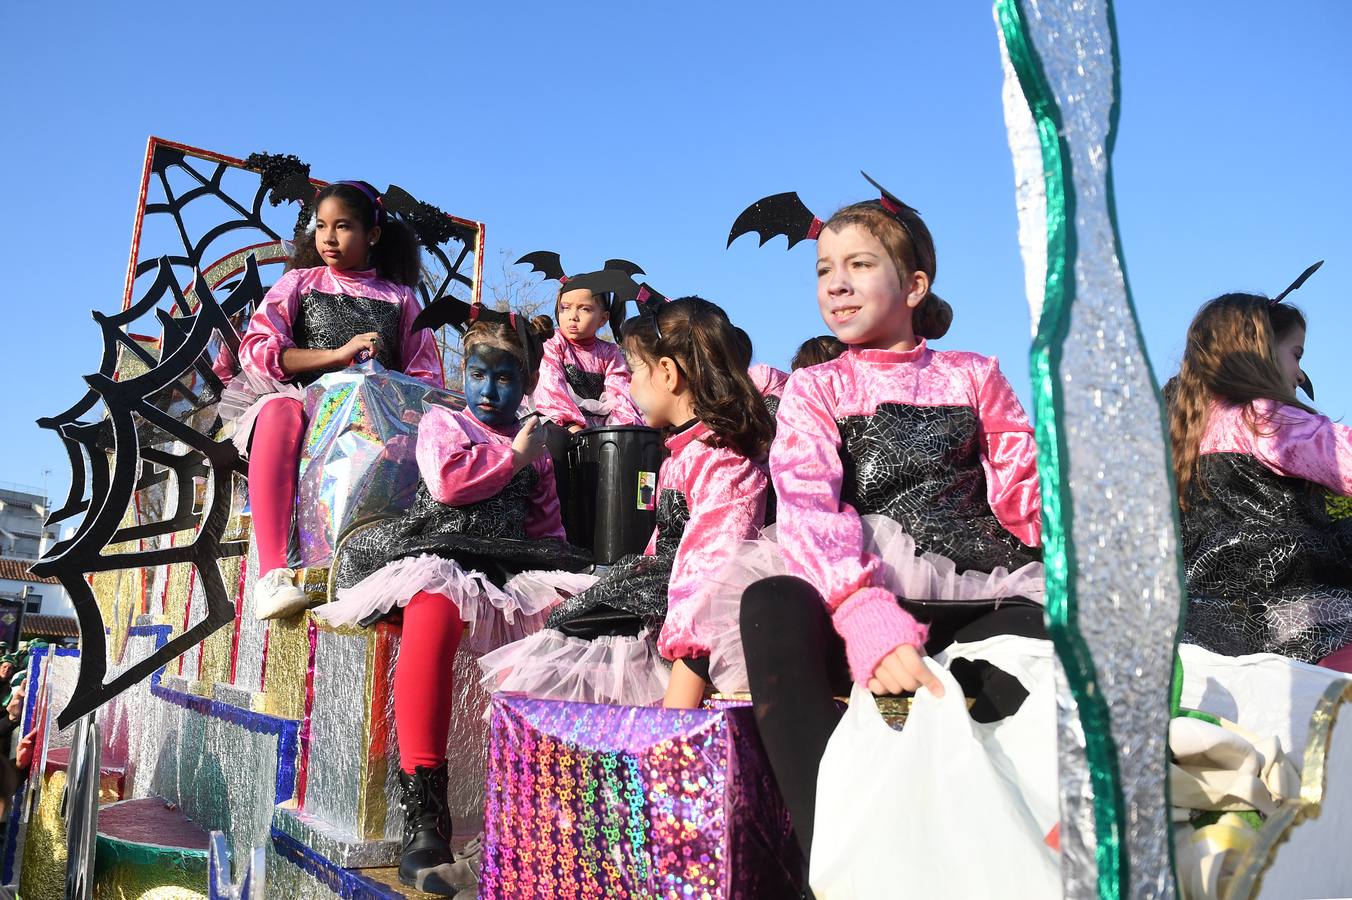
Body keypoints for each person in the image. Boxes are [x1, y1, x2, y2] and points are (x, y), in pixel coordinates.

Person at [737, 182, 1046, 866]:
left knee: (1059, 634)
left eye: (858, 265)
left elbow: (1023, 495)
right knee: (768, 602)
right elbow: (808, 501)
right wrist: (862, 609)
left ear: (913, 285)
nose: (836, 284)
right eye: (823, 269)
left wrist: (1081, 517)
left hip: (979, 587)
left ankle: (999, 847)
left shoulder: (975, 373)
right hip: (864, 592)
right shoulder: (818, 387)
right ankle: (836, 858)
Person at [312, 300, 591, 896]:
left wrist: (560, 562)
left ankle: (530, 801)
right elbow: (448, 485)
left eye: (505, 376)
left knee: (565, 627)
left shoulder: (534, 440)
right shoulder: (445, 422)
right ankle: (424, 813)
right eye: (478, 374)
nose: (489, 389)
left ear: (526, 380)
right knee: (434, 610)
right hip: (442, 549)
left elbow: (546, 526)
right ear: (463, 372)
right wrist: (514, 458)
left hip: (511, 562)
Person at [479, 297, 774, 709]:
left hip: (683, 635)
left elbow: (710, 583)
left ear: (667, 374)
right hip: (657, 600)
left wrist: (678, 708)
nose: (630, 386)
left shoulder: (722, 462)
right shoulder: (684, 453)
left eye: (635, 370)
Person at [225, 181, 443, 619]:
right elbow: (258, 350)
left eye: (342, 226)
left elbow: (426, 377)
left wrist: (386, 397)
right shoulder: (298, 284)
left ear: (372, 236)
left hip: (375, 427)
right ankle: (273, 574)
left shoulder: (402, 299)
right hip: (303, 408)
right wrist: (336, 355)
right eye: (320, 225)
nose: (327, 237)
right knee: (276, 411)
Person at [1170, 291, 1352, 667]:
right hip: (1298, 609)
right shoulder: (1267, 419)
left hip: (1206, 624)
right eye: (1296, 354)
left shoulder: (1183, 435)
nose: (1300, 374)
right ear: (1261, 353)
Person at [532, 282, 644, 432]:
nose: (572, 317)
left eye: (584, 309)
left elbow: (620, 394)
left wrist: (620, 431)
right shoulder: (553, 343)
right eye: (565, 308)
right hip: (558, 421)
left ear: (603, 318)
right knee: (553, 439)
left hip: (598, 429)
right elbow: (551, 386)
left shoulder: (609, 352)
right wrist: (570, 425)